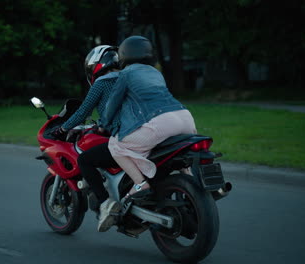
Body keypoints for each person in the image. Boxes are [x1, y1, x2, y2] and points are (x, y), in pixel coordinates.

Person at [102, 36, 197, 200]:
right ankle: (189, 179)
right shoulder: (156, 73)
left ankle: (139, 183)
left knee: (115, 145)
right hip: (186, 118)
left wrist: (104, 122)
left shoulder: (126, 73)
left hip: (162, 123)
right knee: (179, 153)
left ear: (123, 54)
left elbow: (112, 104)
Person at [51, 45, 121, 232]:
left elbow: (82, 112)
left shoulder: (102, 82)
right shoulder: (127, 78)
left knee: (85, 160)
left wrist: (63, 128)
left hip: (124, 137)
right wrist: (100, 124)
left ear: (96, 65)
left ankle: (106, 203)